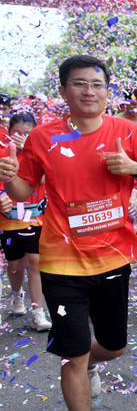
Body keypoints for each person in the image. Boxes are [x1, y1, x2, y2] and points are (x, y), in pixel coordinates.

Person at [0, 55, 137, 411]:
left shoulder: (129, 133)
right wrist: (9, 179)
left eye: (96, 84)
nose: (88, 91)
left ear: (107, 91)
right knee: (72, 356)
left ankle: (91, 360)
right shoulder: (44, 136)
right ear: (63, 90)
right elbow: (24, 190)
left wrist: (136, 170)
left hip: (113, 258)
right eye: (79, 83)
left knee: (114, 346)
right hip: (61, 263)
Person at [0, 112, 51, 331]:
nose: (21, 137)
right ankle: (17, 294)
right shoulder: (2, 153)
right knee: (14, 265)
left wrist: (29, 151)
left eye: (27, 133)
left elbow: (47, 179)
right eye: (16, 133)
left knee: (35, 261)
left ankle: (37, 312)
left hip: (37, 217)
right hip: (9, 219)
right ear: (8, 134)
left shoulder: (42, 154)